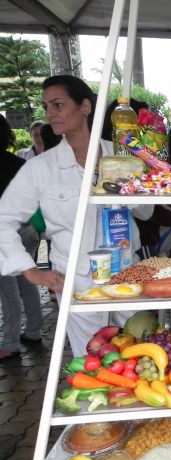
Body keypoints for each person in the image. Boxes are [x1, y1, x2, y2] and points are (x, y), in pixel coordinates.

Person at [0, 75, 152, 356]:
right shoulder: (42, 168)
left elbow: (147, 210)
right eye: (46, 106)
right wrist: (30, 271)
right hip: (75, 278)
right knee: (91, 358)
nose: (50, 113)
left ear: (85, 107)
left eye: (58, 104)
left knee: (140, 352)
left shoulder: (121, 155)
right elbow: (4, 218)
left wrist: (127, 186)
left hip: (127, 271)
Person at [0, 114, 44, 361]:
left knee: (8, 291)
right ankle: (34, 331)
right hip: (26, 228)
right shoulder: (18, 163)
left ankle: (10, 343)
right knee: (27, 281)